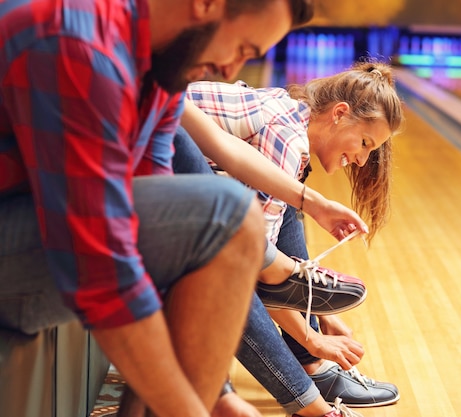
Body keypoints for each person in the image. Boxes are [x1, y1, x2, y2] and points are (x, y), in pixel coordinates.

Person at [0, 1, 369, 416]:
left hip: (41, 231)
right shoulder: (76, 45)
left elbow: (162, 226)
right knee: (228, 216)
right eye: (244, 48)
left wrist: (218, 392)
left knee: (234, 221)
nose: (232, 71)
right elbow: (100, 265)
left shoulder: (158, 68)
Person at [182, 61, 404, 408]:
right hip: (148, 179)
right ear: (339, 113)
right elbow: (252, 266)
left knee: (287, 212)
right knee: (253, 251)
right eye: (364, 142)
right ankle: (309, 381)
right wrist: (312, 336)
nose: (362, 160)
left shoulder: (291, 119)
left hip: (169, 179)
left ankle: (311, 365)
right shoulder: (286, 137)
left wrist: (320, 315)